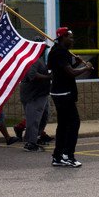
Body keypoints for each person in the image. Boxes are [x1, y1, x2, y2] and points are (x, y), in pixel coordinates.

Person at [48, 27, 94, 168]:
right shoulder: (60, 52)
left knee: (63, 125)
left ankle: (58, 156)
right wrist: (85, 68)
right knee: (74, 123)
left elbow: (62, 70)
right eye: (70, 37)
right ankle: (68, 155)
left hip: (59, 92)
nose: (72, 40)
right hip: (64, 93)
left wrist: (77, 63)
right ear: (63, 37)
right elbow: (70, 73)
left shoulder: (57, 51)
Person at [19, 54, 51, 152]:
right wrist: (48, 77)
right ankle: (30, 143)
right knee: (33, 119)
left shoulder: (40, 58)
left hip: (41, 93)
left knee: (44, 116)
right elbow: (32, 75)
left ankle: (35, 137)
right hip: (33, 95)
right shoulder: (33, 59)